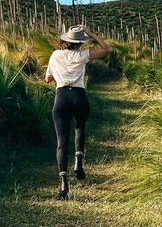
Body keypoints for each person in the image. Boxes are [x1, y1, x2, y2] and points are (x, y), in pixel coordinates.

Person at [45, 25, 112, 200]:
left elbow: (47, 78)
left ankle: (63, 182)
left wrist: (59, 74)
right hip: (79, 97)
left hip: (61, 98)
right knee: (80, 127)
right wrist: (91, 34)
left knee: (62, 141)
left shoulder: (55, 55)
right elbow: (107, 49)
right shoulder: (83, 55)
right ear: (80, 43)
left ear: (65, 41)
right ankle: (78, 161)